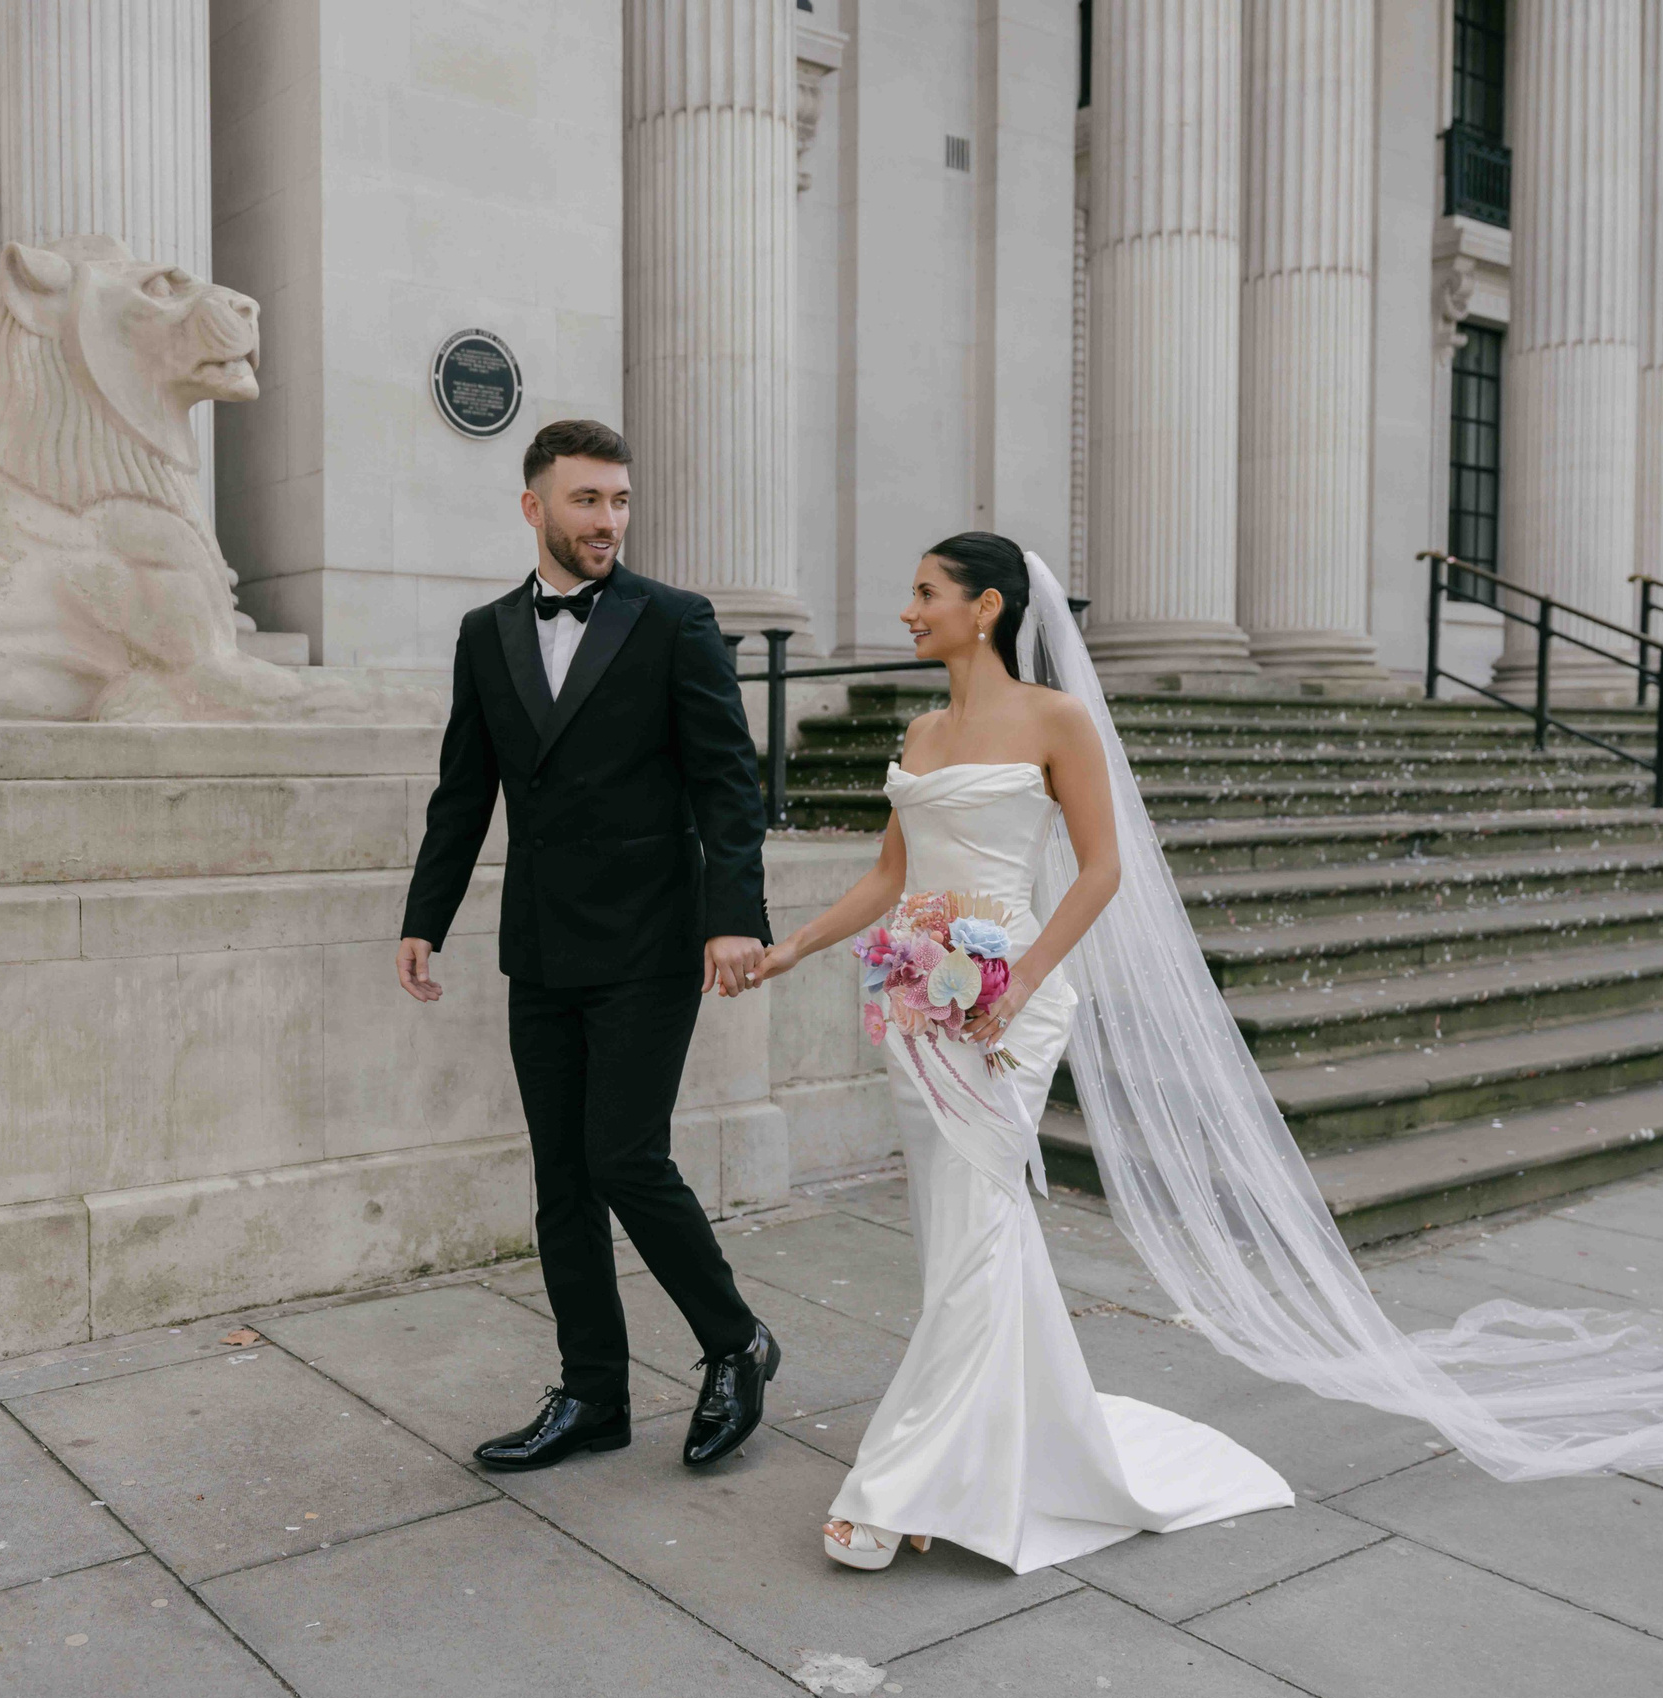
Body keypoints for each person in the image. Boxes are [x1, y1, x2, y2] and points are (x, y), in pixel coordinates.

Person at [752, 532, 1293, 1571]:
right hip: (916, 1001)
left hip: (1010, 1004)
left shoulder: (1056, 719)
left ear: (986, 605)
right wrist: (791, 950)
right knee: (959, 1234)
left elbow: (1099, 870)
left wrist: (1023, 981)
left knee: (977, 1227)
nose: (907, 611)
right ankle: (982, 1451)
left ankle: (899, 1482)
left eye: (924, 593)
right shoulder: (918, 726)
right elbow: (887, 880)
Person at [396, 418, 780, 1473]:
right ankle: (593, 1396)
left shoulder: (673, 620)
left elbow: (726, 784)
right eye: (585, 501)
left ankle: (734, 1340)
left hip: (653, 939)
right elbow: (464, 788)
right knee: (561, 1179)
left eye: (617, 500)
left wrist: (733, 912)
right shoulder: (485, 633)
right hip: (541, 944)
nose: (607, 520)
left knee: (622, 1156)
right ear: (534, 507)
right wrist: (425, 915)